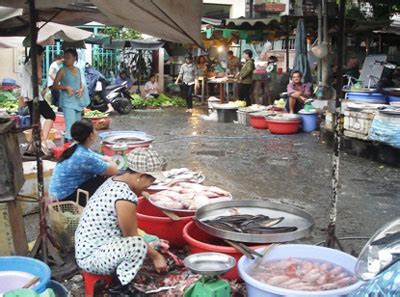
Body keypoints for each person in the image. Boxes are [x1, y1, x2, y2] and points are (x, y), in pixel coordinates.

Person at [75, 147, 168, 296]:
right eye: (151, 180)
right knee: (136, 244)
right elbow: (131, 236)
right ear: (140, 175)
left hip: (88, 246)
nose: (150, 185)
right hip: (92, 256)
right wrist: (156, 256)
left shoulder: (116, 180)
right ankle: (119, 289)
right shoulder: (125, 197)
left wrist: (142, 191)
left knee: (142, 242)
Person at [49, 119, 118, 206]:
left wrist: (107, 159)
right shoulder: (83, 156)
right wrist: (112, 160)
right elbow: (114, 170)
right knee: (106, 178)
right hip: (64, 199)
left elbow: (99, 157)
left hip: (59, 195)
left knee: (100, 172)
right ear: (91, 135)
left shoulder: (75, 146)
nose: (96, 132)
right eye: (94, 130)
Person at [21, 45, 56, 154]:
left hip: (30, 96)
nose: (43, 57)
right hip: (34, 96)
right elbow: (39, 78)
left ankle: (31, 148)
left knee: (35, 121)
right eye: (42, 54)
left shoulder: (27, 64)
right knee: (50, 115)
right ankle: (43, 141)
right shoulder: (32, 64)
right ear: (38, 54)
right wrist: (38, 62)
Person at [52, 48, 89, 142]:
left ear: (74, 58)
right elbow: (54, 86)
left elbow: (81, 83)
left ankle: (75, 146)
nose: (66, 59)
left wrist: (81, 89)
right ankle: (68, 147)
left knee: (77, 126)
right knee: (70, 126)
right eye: (65, 57)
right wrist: (66, 87)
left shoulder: (78, 70)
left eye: (68, 57)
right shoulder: (62, 70)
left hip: (77, 100)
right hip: (67, 102)